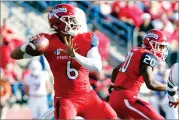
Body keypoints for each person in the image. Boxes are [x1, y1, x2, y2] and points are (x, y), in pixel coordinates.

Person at [10, 4, 117, 119]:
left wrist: (75, 55)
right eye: (69, 20)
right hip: (66, 99)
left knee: (111, 116)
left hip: (87, 95)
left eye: (74, 19)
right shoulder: (47, 42)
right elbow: (14, 55)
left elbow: (96, 67)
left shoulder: (87, 38)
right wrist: (28, 47)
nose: (74, 23)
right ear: (57, 24)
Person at [109, 29, 169, 119]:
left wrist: (114, 84)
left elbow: (116, 70)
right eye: (160, 46)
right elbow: (151, 84)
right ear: (150, 43)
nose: (162, 50)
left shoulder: (135, 51)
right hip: (127, 99)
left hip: (115, 98)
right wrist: (170, 87)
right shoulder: (147, 56)